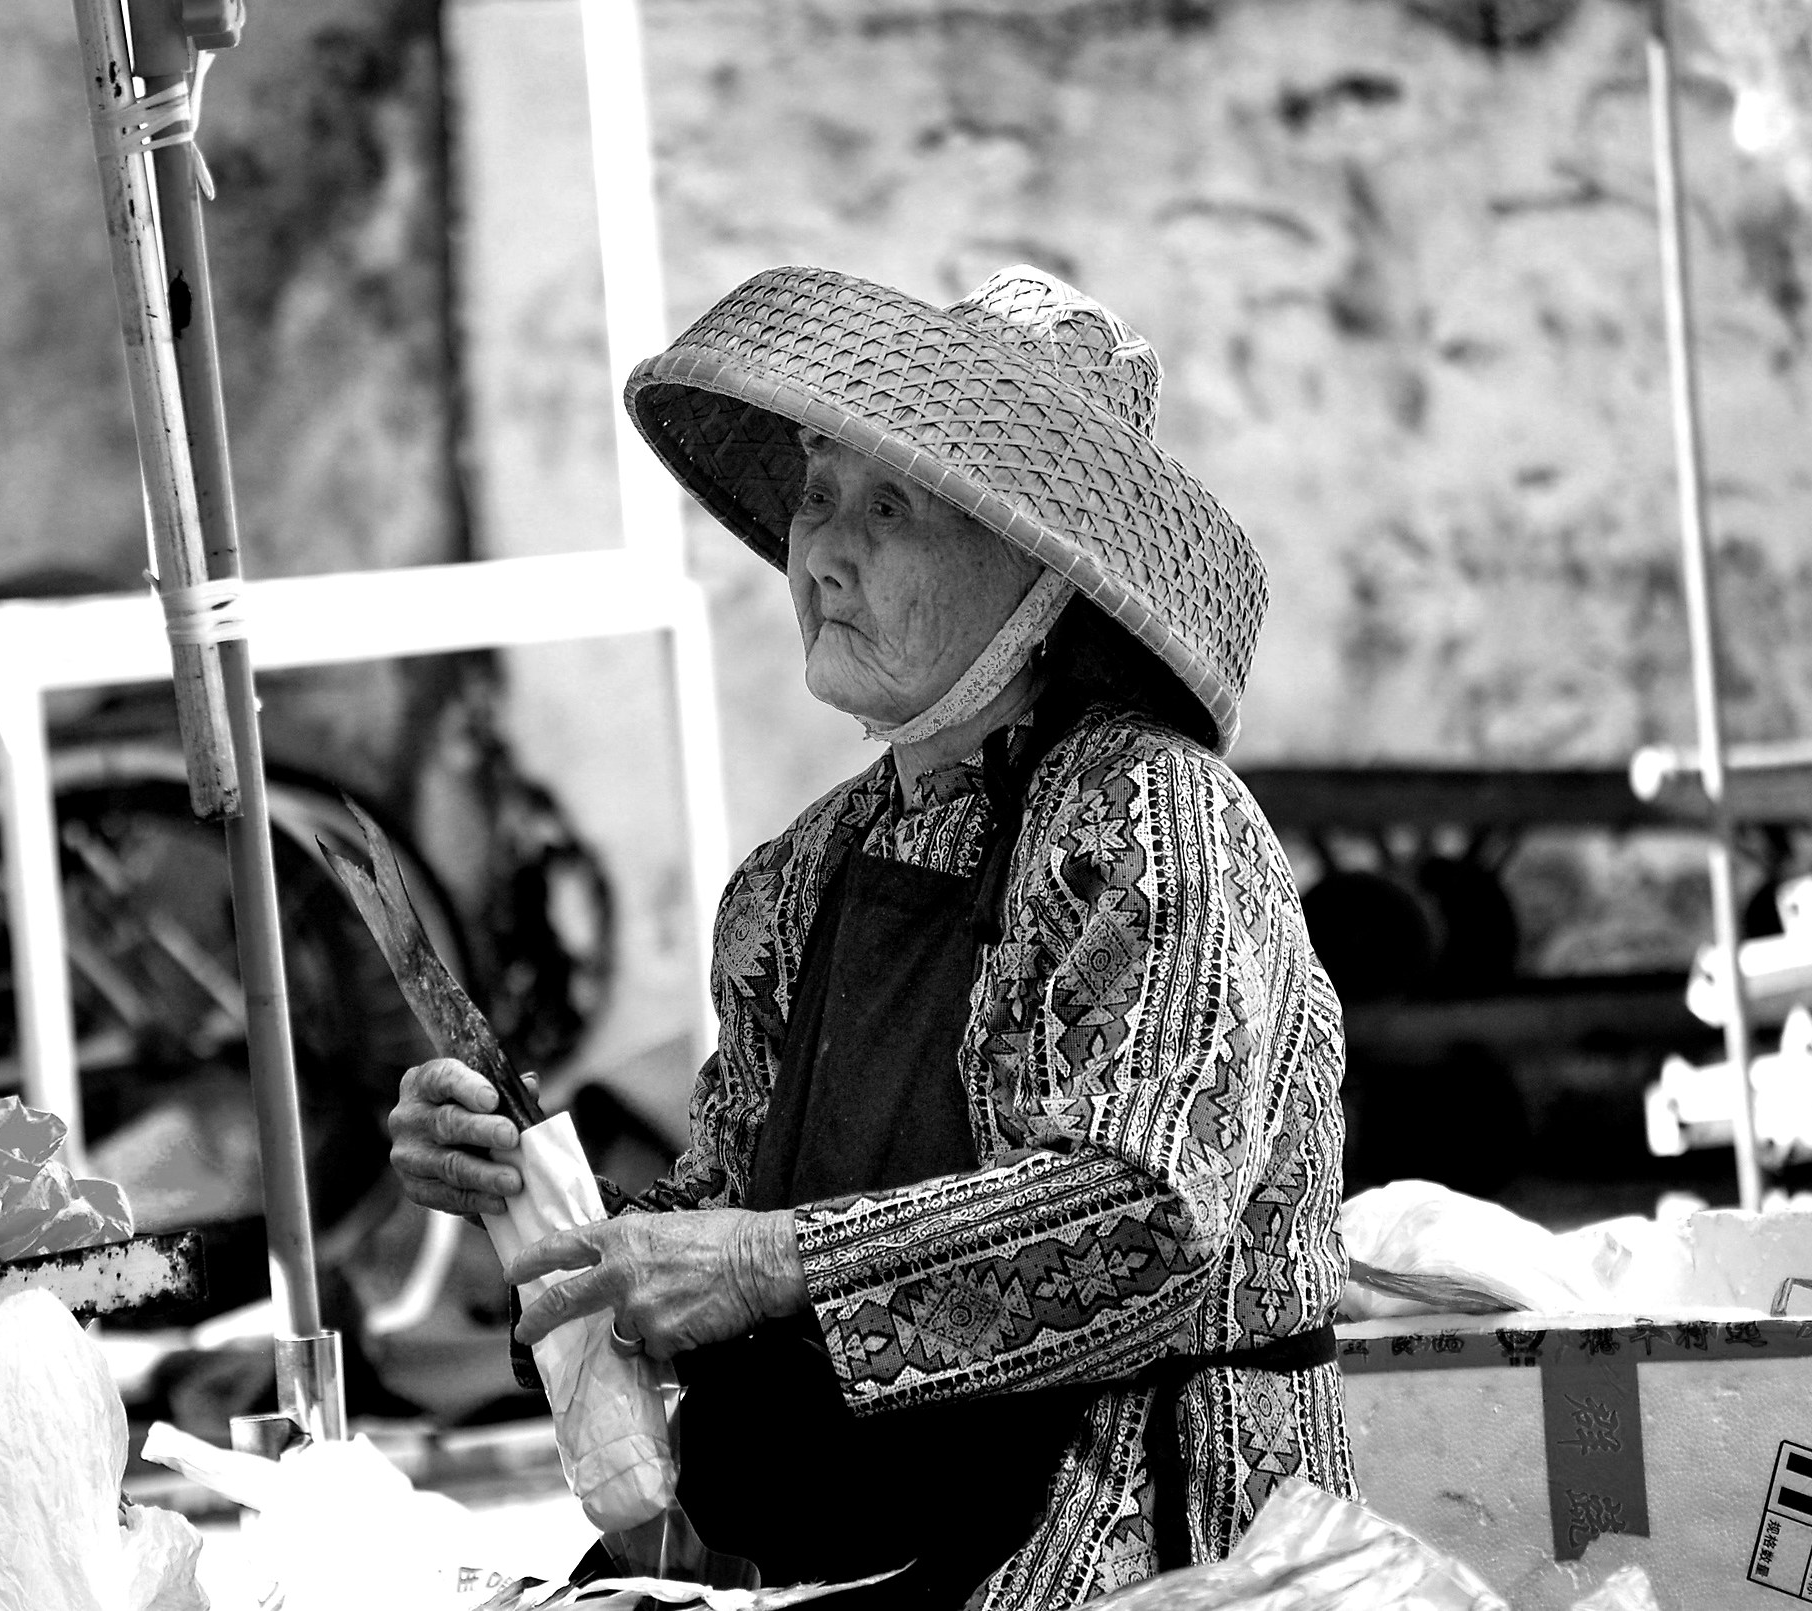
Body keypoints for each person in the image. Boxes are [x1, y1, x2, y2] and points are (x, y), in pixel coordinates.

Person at [389, 264, 1354, 1609]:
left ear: (1039, 566)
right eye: (818, 496)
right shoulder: (792, 882)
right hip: (838, 1551)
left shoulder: (1152, 819)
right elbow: (711, 1235)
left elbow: (1146, 1217)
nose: (820, 551)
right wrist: (544, 1219)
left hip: (1155, 1544)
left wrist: (768, 1263)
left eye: (889, 507)